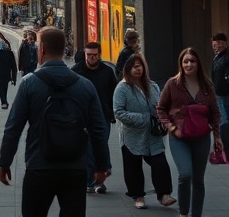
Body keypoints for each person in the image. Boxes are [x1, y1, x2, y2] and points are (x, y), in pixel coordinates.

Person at [0, 27, 111, 217]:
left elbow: (13, 127)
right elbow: (98, 130)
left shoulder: (29, 83)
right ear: (63, 49)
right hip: (75, 168)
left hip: (39, 165)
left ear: (41, 49)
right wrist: (102, 166)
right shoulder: (85, 85)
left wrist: (5, 162)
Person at [156, 47, 223, 217]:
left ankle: (196, 214)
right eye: (185, 61)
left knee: (198, 180)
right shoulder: (173, 84)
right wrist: (170, 126)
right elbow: (161, 108)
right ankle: (184, 213)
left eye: (192, 61)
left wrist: (217, 136)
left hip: (201, 138)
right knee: (185, 174)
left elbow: (215, 113)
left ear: (198, 63)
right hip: (179, 137)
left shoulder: (207, 85)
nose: (189, 64)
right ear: (181, 64)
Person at [113, 53, 175, 210]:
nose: (137, 68)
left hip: (153, 134)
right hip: (131, 135)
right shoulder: (122, 88)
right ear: (128, 69)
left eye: (139, 65)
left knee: (160, 163)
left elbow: (161, 106)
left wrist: (162, 115)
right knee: (133, 165)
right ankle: (138, 195)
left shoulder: (152, 86)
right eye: (134, 66)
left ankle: (164, 194)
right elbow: (118, 112)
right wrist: (142, 118)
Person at [72, 42, 118, 194]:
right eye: (88, 54)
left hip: (103, 115)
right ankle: (93, 181)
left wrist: (112, 113)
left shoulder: (107, 72)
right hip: (82, 116)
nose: (91, 58)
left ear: (99, 55)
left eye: (94, 55)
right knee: (88, 148)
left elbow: (113, 93)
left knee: (100, 145)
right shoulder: (76, 71)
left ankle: (98, 178)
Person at [211, 32, 229, 148]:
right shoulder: (217, 57)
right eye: (214, 44)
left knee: (224, 121)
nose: (216, 46)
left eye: (219, 43)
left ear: (225, 43)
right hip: (219, 94)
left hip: (226, 94)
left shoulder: (227, 57)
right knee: (222, 120)